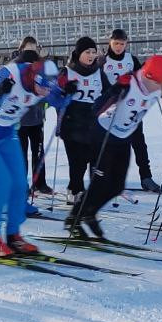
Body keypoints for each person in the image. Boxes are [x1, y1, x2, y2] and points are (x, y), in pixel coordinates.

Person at [0, 52, 74, 256]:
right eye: (43, 88)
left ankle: (14, 236)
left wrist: (67, 93)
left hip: (6, 133)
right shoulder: (9, 73)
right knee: (3, 182)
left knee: (19, 184)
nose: (44, 94)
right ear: (34, 77)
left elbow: (58, 101)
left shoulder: (44, 83)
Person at [67, 55, 162, 237]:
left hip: (123, 138)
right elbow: (97, 108)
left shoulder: (160, 84)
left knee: (117, 186)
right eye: (154, 83)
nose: (157, 88)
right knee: (100, 184)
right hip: (103, 134)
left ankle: (88, 213)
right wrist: (115, 90)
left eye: (161, 84)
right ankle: (75, 217)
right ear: (146, 74)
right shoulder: (130, 82)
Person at [100, 28, 162, 192]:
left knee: (139, 143)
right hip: (111, 110)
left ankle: (146, 177)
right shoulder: (103, 61)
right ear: (110, 43)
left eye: (122, 43)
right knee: (110, 146)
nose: (119, 47)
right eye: (116, 43)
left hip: (132, 108)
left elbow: (142, 78)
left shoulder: (131, 59)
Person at [59, 36, 107, 203]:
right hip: (72, 120)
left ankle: (91, 190)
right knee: (77, 160)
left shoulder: (98, 71)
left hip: (91, 120)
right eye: (87, 52)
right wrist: (65, 90)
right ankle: (75, 190)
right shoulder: (67, 71)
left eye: (94, 52)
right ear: (79, 53)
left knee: (93, 158)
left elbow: (108, 93)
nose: (91, 55)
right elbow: (54, 95)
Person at [15, 36, 53, 196]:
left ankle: (40, 183)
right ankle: (21, 185)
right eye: (28, 49)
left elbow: (49, 89)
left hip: (37, 118)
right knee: (20, 154)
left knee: (38, 151)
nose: (31, 52)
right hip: (20, 119)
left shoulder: (40, 67)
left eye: (34, 48)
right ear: (22, 49)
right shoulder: (16, 66)